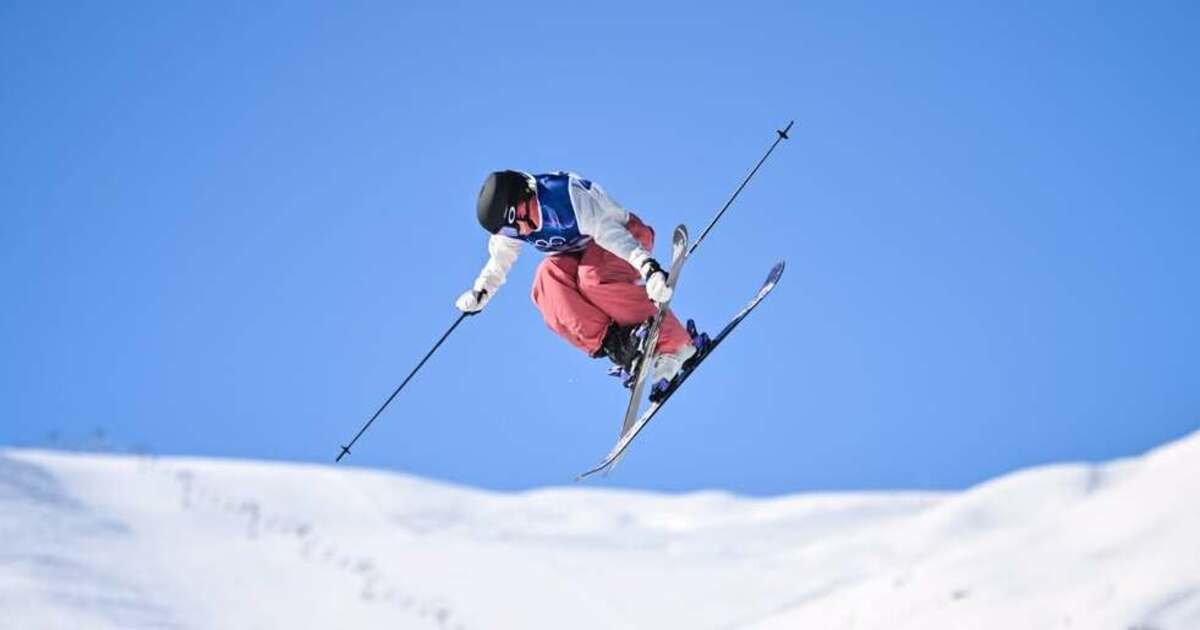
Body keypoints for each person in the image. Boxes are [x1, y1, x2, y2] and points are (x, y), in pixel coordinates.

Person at [456, 170, 700, 386]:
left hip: (625, 238)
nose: (521, 231)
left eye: (516, 221)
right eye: (510, 231)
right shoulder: (517, 227)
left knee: (591, 277)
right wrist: (481, 291)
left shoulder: (562, 197)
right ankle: (619, 344)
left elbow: (609, 233)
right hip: (582, 257)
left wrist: (648, 267)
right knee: (546, 280)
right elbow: (500, 259)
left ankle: (677, 344)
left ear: (525, 196)